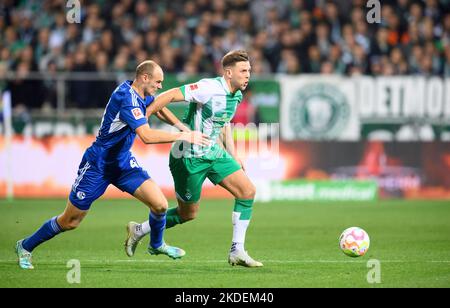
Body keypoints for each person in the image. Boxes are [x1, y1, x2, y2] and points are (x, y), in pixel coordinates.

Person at [15, 60, 209, 270]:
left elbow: (156, 108)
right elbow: (146, 136)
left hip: (123, 163)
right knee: (70, 221)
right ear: (145, 77)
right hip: (98, 165)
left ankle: (156, 244)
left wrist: (182, 127)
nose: (160, 86)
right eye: (158, 81)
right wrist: (184, 136)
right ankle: (25, 246)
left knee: (160, 205)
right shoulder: (126, 98)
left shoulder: (139, 92)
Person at [125, 50, 263, 267]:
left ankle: (237, 249)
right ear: (228, 72)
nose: (248, 75)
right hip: (188, 157)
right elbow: (168, 95)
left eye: (249, 71)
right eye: (243, 70)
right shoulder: (208, 87)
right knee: (187, 214)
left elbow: (222, 123)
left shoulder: (236, 95)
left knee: (247, 191)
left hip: (213, 153)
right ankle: (140, 229)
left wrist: (234, 154)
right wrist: (144, 116)